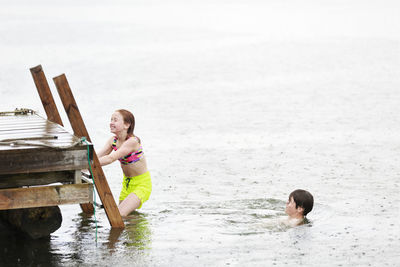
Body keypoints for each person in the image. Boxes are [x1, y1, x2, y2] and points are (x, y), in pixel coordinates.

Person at [97, 109, 152, 217]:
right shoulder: (113, 141)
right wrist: (81, 163)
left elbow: (110, 158)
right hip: (127, 184)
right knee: (123, 216)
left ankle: (141, 230)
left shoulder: (132, 141)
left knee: (119, 214)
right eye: (111, 119)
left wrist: (88, 164)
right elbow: (97, 156)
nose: (111, 122)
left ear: (127, 125)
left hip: (142, 184)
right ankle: (134, 227)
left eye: (115, 120)